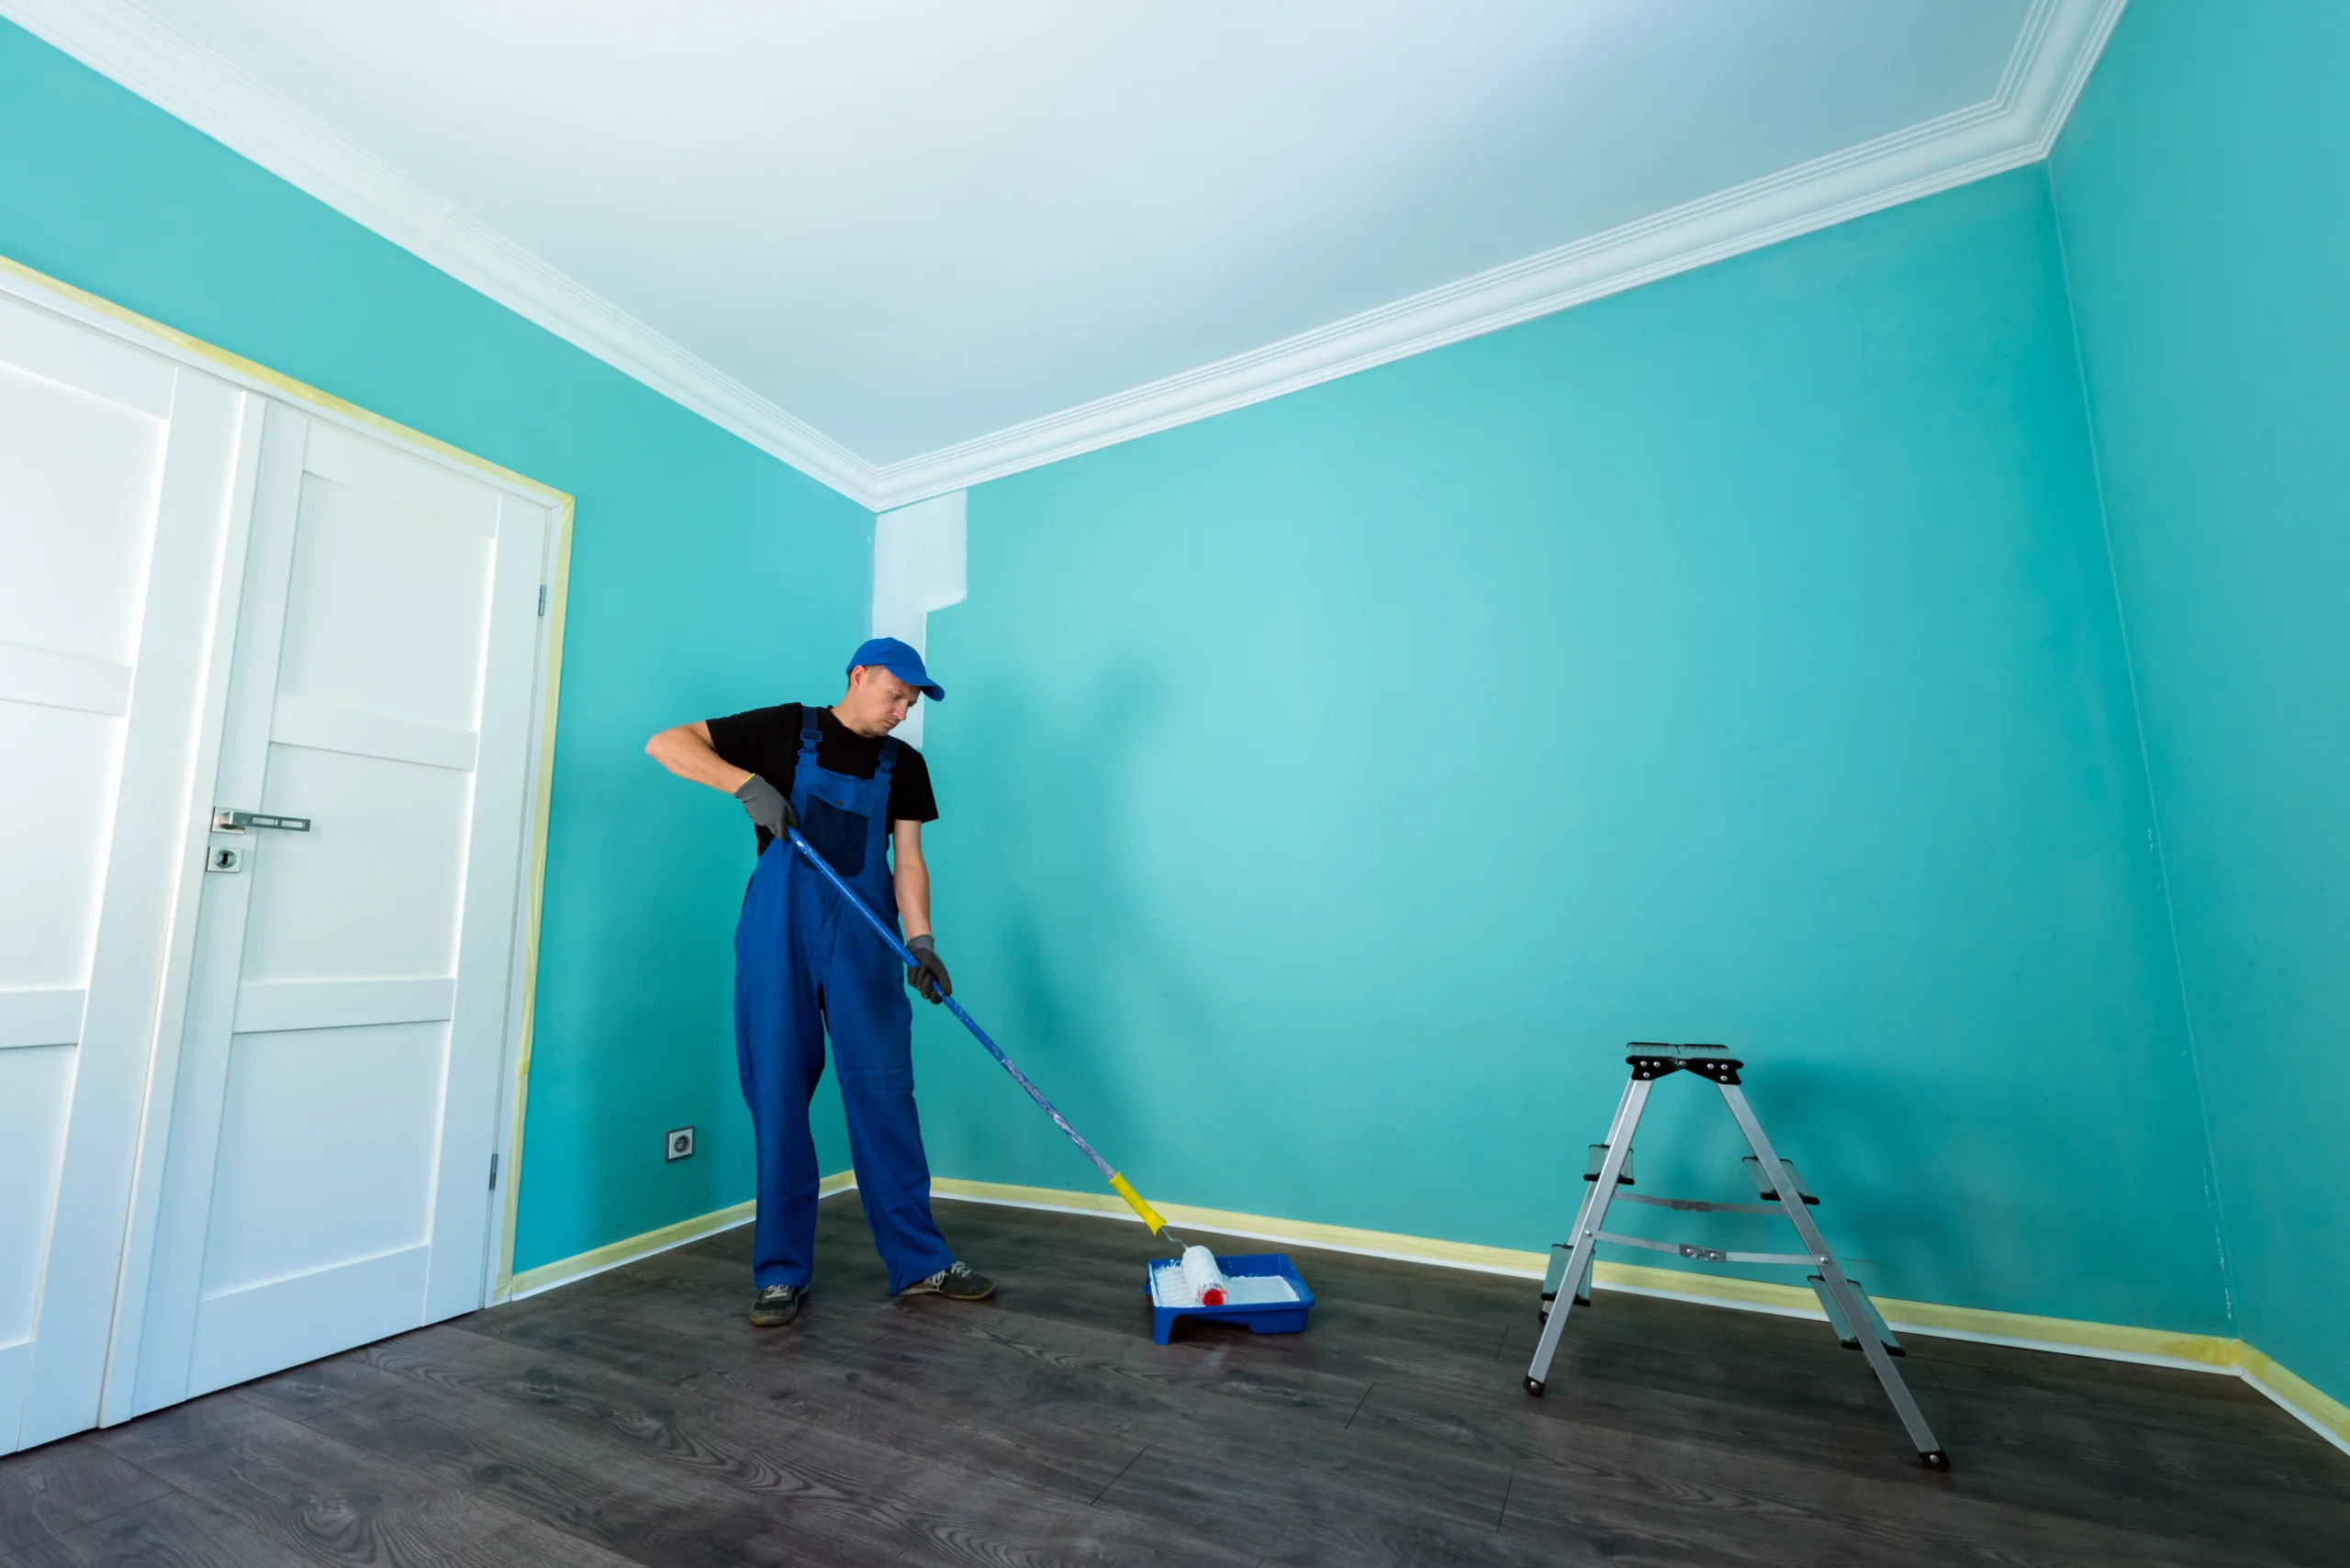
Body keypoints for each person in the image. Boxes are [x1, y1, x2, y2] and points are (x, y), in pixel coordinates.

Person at [645, 637, 993, 1326]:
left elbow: (909, 861)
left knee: (885, 1090)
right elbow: (666, 743)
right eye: (895, 694)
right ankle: (780, 1274)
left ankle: (920, 1261)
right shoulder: (785, 730)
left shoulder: (905, 765)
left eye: (912, 701)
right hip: (780, 934)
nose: (903, 710)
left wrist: (920, 940)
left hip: (865, 934)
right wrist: (745, 785)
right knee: (776, 1095)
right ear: (858, 676)